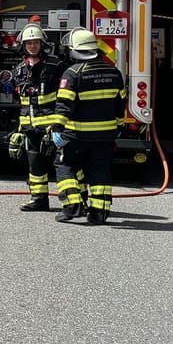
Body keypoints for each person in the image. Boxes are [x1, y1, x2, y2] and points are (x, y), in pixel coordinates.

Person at [50, 28, 126, 224]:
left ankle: (72, 206)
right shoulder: (114, 72)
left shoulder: (73, 73)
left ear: (75, 50)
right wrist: (118, 126)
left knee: (64, 164)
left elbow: (64, 105)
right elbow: (120, 104)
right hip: (106, 135)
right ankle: (99, 213)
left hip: (77, 135)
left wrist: (56, 129)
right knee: (99, 171)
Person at [8, 23, 66, 212]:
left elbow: (66, 97)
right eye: (28, 43)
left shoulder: (56, 65)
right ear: (23, 46)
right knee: (35, 165)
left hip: (53, 128)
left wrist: (59, 125)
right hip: (30, 127)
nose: (32, 46)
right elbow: (23, 101)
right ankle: (39, 200)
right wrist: (20, 128)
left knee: (64, 165)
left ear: (42, 44)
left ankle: (73, 202)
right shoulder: (19, 70)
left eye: (35, 42)